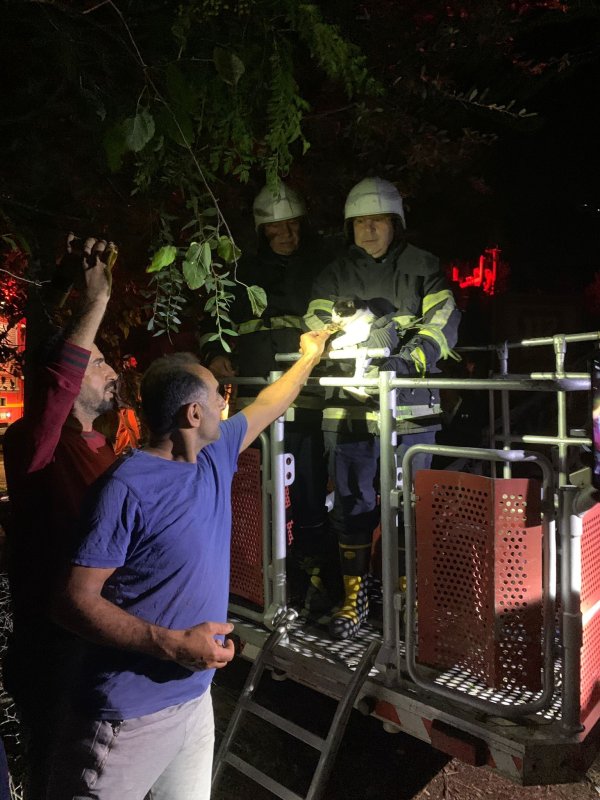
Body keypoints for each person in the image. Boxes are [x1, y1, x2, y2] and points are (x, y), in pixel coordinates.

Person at [46, 329, 330, 800]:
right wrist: (170, 644)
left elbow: (270, 402)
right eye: (217, 396)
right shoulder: (127, 487)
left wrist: (309, 357)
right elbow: (71, 601)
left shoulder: (213, 456)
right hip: (126, 717)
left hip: (194, 703)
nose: (226, 400)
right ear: (192, 413)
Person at [305, 176, 461, 640]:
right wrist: (351, 347)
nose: (368, 230)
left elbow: (445, 320)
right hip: (347, 410)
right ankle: (355, 597)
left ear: (396, 223)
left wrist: (406, 359)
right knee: (352, 504)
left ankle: (406, 596)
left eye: (378, 221)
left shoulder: (423, 266)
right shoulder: (332, 274)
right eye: (360, 223)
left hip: (410, 409)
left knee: (410, 506)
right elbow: (316, 319)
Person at [1, 236, 119, 799]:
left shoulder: (102, 445)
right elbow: (56, 384)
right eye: (98, 361)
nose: (112, 370)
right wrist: (94, 302)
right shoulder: (35, 443)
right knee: (58, 774)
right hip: (53, 650)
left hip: (102, 645)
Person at [205, 180, 338, 609]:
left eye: (293, 227)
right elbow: (215, 320)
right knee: (255, 499)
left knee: (309, 496)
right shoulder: (241, 273)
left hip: (306, 400)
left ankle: (315, 580)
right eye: (278, 229)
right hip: (254, 404)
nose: (287, 235)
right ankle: (256, 578)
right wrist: (215, 352)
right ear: (263, 231)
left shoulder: (322, 268)